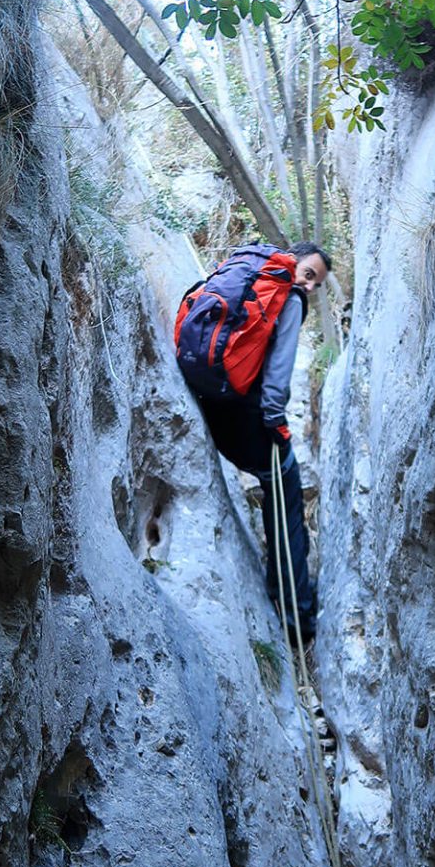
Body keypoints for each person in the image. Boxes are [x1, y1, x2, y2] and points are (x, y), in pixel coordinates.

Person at [174, 240, 331, 641]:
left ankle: (285, 591)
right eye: (309, 275)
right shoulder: (288, 297)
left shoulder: (243, 271)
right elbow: (277, 378)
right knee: (287, 492)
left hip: (211, 404)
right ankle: (298, 618)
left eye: (316, 284)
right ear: (293, 264)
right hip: (245, 426)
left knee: (279, 488)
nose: (309, 287)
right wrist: (277, 425)